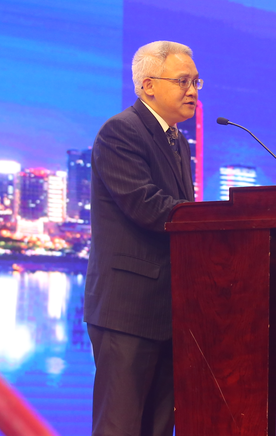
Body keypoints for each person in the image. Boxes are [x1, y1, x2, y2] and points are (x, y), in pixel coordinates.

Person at [84, 40, 200, 436]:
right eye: (182, 81)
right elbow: (146, 205)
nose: (192, 91)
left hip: (169, 309)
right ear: (148, 85)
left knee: (158, 427)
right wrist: (211, 220)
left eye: (196, 82)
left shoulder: (177, 141)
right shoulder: (121, 132)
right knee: (120, 426)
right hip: (127, 309)